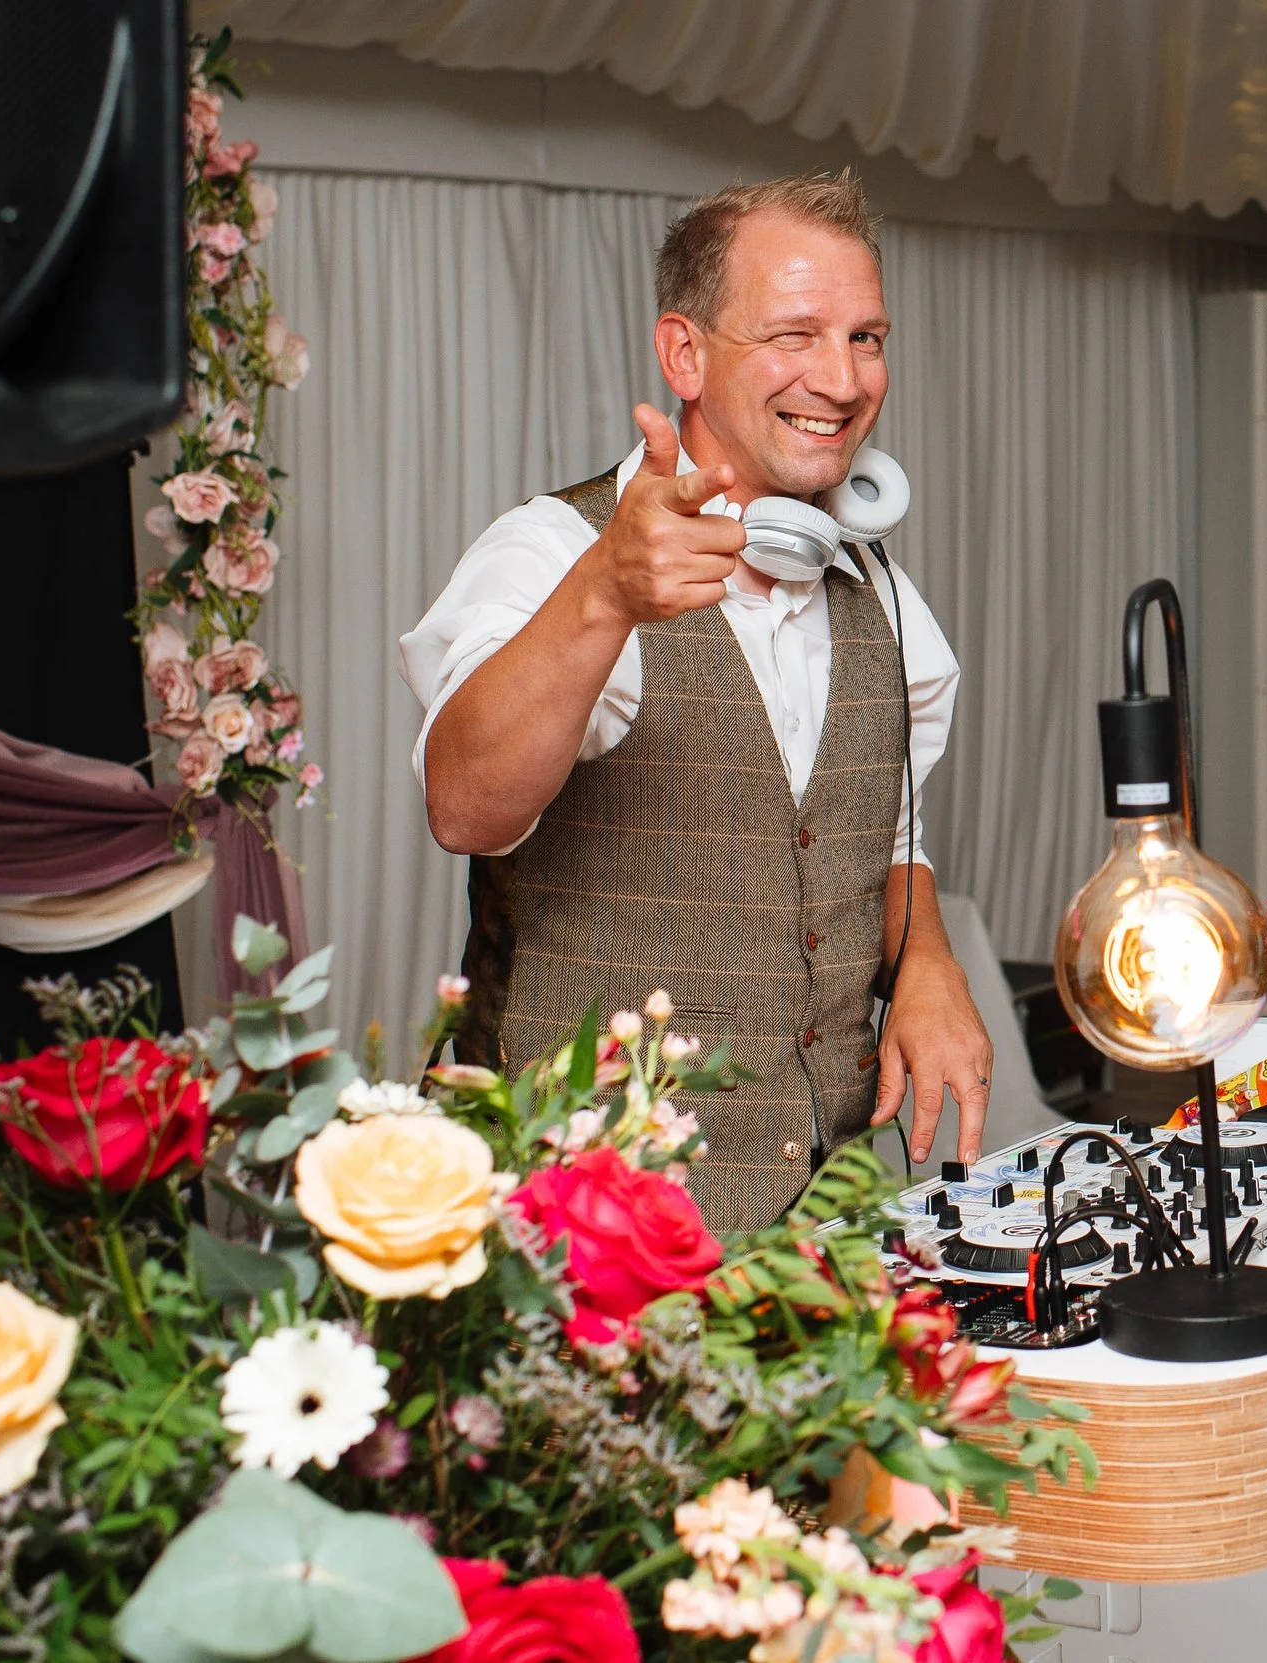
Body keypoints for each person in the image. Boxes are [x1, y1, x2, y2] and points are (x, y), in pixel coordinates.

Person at [399, 171, 991, 1232]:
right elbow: (465, 806)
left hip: (824, 1229)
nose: (842, 379)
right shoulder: (552, 554)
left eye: (865, 338)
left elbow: (885, 833)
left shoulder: (885, 596)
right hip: (583, 1227)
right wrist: (603, 596)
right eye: (795, 335)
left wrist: (928, 959)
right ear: (684, 355)